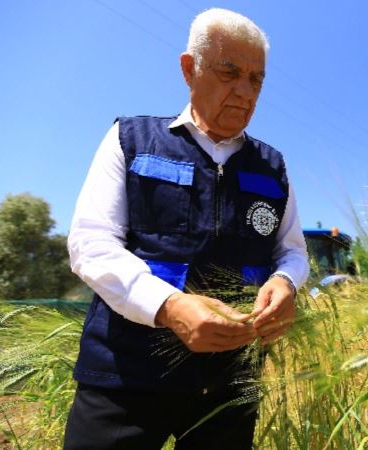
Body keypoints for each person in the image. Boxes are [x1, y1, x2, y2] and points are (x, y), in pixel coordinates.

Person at [63, 8, 309, 449]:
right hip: (125, 375)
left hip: (230, 384)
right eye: (229, 71)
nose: (245, 91)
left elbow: (290, 250)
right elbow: (90, 243)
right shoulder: (131, 138)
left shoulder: (272, 166)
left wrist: (286, 282)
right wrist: (170, 307)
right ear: (189, 69)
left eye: (256, 79)